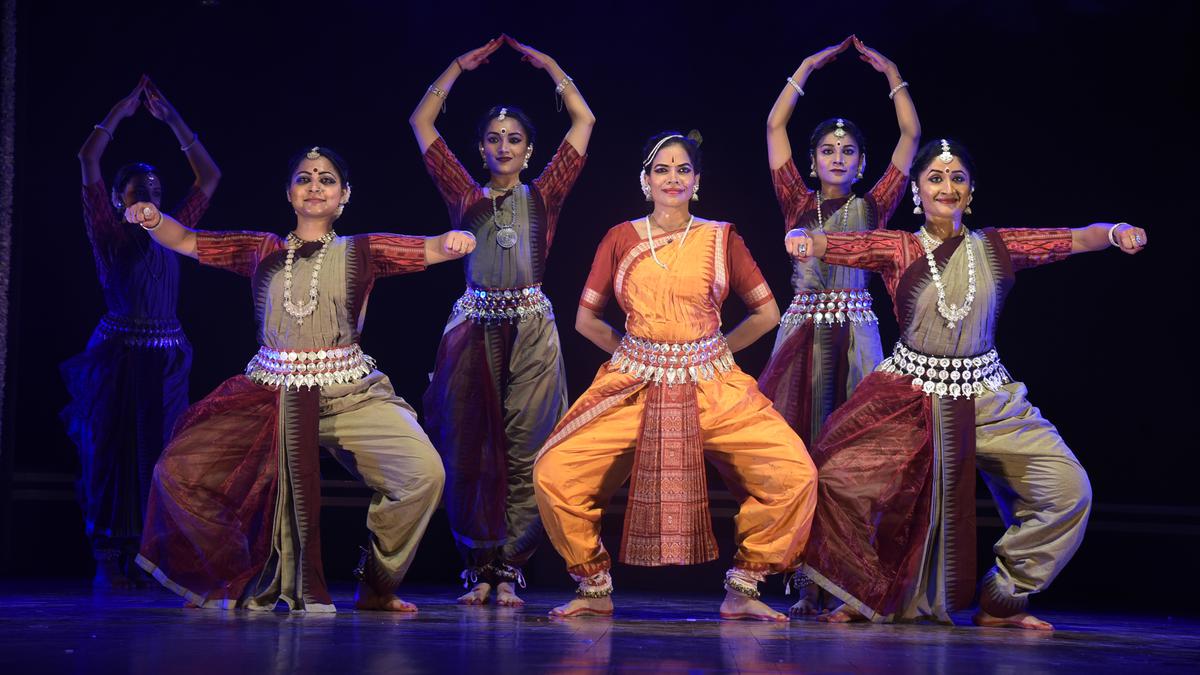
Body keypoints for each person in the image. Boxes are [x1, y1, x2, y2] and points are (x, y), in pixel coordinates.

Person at [785, 138, 1147, 630]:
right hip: (909, 395)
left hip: (988, 396)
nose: (947, 187)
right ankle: (868, 593)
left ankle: (1004, 596)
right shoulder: (901, 246)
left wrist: (1116, 231)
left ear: (971, 190)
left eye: (957, 178)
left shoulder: (995, 247)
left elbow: (1074, 238)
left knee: (1068, 489)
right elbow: (841, 244)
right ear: (917, 189)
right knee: (834, 477)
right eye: (935, 177)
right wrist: (806, 241)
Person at [128, 145, 475, 612]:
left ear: (345, 195)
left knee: (424, 474)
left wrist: (454, 240)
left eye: (327, 179)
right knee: (177, 470)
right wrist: (153, 219)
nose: (315, 186)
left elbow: (428, 247)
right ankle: (234, 577)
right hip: (270, 397)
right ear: (289, 193)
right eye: (305, 178)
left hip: (350, 393)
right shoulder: (260, 250)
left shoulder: (362, 250)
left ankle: (377, 583)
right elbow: (188, 240)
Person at [533, 132, 817, 621]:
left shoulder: (721, 236)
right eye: (661, 169)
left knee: (795, 474)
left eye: (683, 169)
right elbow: (585, 320)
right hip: (635, 382)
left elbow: (766, 313)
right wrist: (632, 352)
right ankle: (592, 587)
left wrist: (715, 350)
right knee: (554, 471)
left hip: (711, 384)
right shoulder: (620, 237)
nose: (672, 178)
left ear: (697, 182)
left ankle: (745, 588)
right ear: (645, 181)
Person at [411, 35, 593, 606]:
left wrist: (553, 66)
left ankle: (512, 566)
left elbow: (585, 121)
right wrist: (456, 67)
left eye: (515, 139)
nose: (505, 146)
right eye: (494, 139)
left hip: (533, 330)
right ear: (482, 149)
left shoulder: (547, 195)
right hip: (473, 327)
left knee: (527, 445)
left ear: (530, 150)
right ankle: (477, 564)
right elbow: (421, 123)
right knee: (470, 444)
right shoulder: (463, 194)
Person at [756, 36, 919, 617]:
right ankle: (803, 582)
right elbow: (774, 126)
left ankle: (846, 579)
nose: (838, 157)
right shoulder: (796, 204)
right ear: (812, 160)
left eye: (848, 151)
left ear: (862, 164)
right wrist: (804, 68)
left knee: (849, 457)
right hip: (799, 339)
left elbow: (910, 139)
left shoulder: (874, 208)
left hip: (858, 338)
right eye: (828, 149)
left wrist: (892, 72)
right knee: (797, 454)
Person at [62, 76, 220, 588]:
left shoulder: (171, 229)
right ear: (117, 197)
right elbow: (88, 161)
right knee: (112, 450)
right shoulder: (109, 233)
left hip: (167, 354)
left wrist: (174, 120)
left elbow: (210, 177)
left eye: (156, 187)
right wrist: (119, 113)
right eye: (138, 187)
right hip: (118, 355)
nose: (150, 191)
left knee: (162, 452)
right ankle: (109, 549)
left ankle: (157, 549)